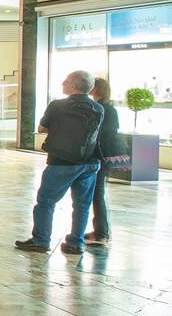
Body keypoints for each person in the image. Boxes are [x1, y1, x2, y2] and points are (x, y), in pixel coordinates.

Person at [15, 70, 105, 254]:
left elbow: (42, 127)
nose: (62, 83)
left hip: (61, 161)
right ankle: (76, 242)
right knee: (82, 204)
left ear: (73, 85)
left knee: (46, 201)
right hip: (89, 161)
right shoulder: (98, 108)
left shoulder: (57, 106)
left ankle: (41, 240)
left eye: (65, 80)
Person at [86, 77, 127, 247]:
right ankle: (101, 231)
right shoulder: (110, 108)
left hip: (103, 156)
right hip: (110, 155)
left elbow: (100, 133)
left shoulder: (100, 109)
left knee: (97, 194)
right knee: (98, 194)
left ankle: (101, 233)